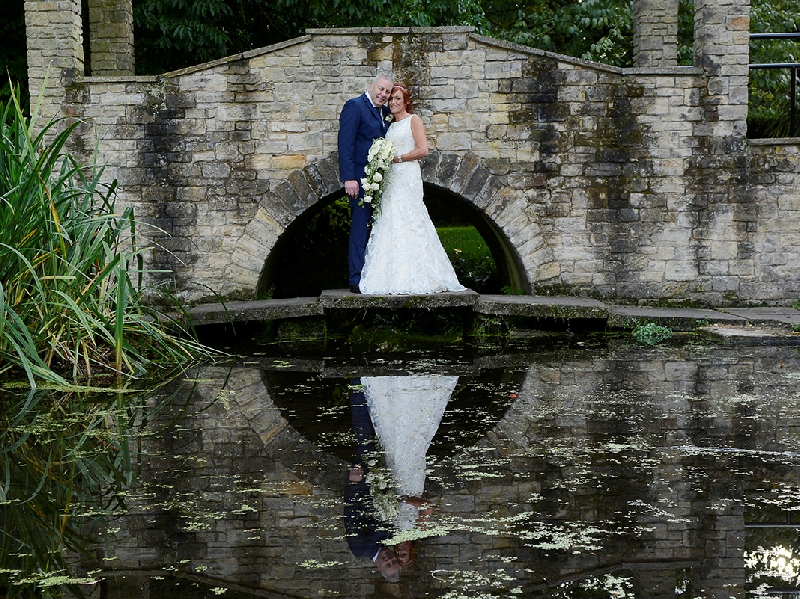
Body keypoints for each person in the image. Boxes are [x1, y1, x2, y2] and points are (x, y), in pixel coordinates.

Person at [358, 85, 466, 295]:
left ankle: (422, 273)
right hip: (391, 178)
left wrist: (398, 158)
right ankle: (391, 276)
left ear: (406, 102)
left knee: (411, 217)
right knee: (391, 218)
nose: (393, 102)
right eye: (391, 99)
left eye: (397, 99)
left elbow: (423, 149)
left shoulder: (413, 120)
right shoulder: (390, 125)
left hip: (406, 175)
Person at [338, 72, 395, 295]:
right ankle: (356, 278)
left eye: (387, 91)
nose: (383, 94)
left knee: (380, 228)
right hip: (360, 181)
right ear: (372, 85)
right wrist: (349, 178)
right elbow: (346, 144)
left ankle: (376, 275)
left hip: (380, 180)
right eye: (381, 89)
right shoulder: (355, 106)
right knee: (360, 228)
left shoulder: (386, 112)